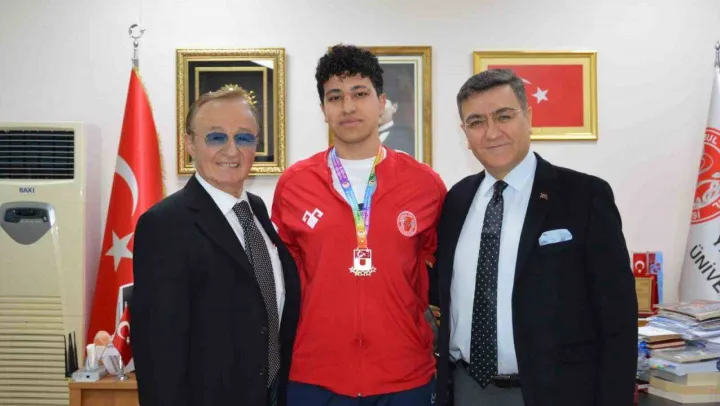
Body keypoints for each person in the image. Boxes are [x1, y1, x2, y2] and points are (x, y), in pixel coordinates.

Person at [434, 69, 638, 406]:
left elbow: (618, 318)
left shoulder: (584, 196)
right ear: (465, 133)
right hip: (466, 388)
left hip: (558, 392)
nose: (492, 132)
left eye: (504, 116)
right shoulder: (456, 200)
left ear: (528, 117)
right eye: (476, 122)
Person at [271, 44, 446, 406]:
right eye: (335, 97)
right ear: (323, 109)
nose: (347, 107)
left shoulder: (425, 184)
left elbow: (437, 268)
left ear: (381, 102)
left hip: (405, 376)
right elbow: (283, 280)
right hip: (315, 377)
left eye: (360, 93)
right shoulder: (294, 185)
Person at [131, 87, 300, 406]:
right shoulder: (164, 225)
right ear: (189, 143)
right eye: (216, 137)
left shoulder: (256, 210)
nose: (232, 150)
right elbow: (158, 352)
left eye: (244, 138)